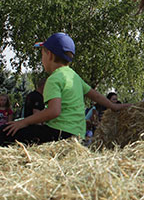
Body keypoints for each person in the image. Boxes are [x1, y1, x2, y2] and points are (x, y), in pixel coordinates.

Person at [0, 33, 130, 146]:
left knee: (5, 131)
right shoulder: (74, 76)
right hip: (77, 135)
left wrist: (23, 122)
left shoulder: (55, 78)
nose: (42, 59)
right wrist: (114, 106)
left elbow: (54, 111)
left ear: (49, 55)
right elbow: (95, 95)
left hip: (58, 135)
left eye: (42, 54)